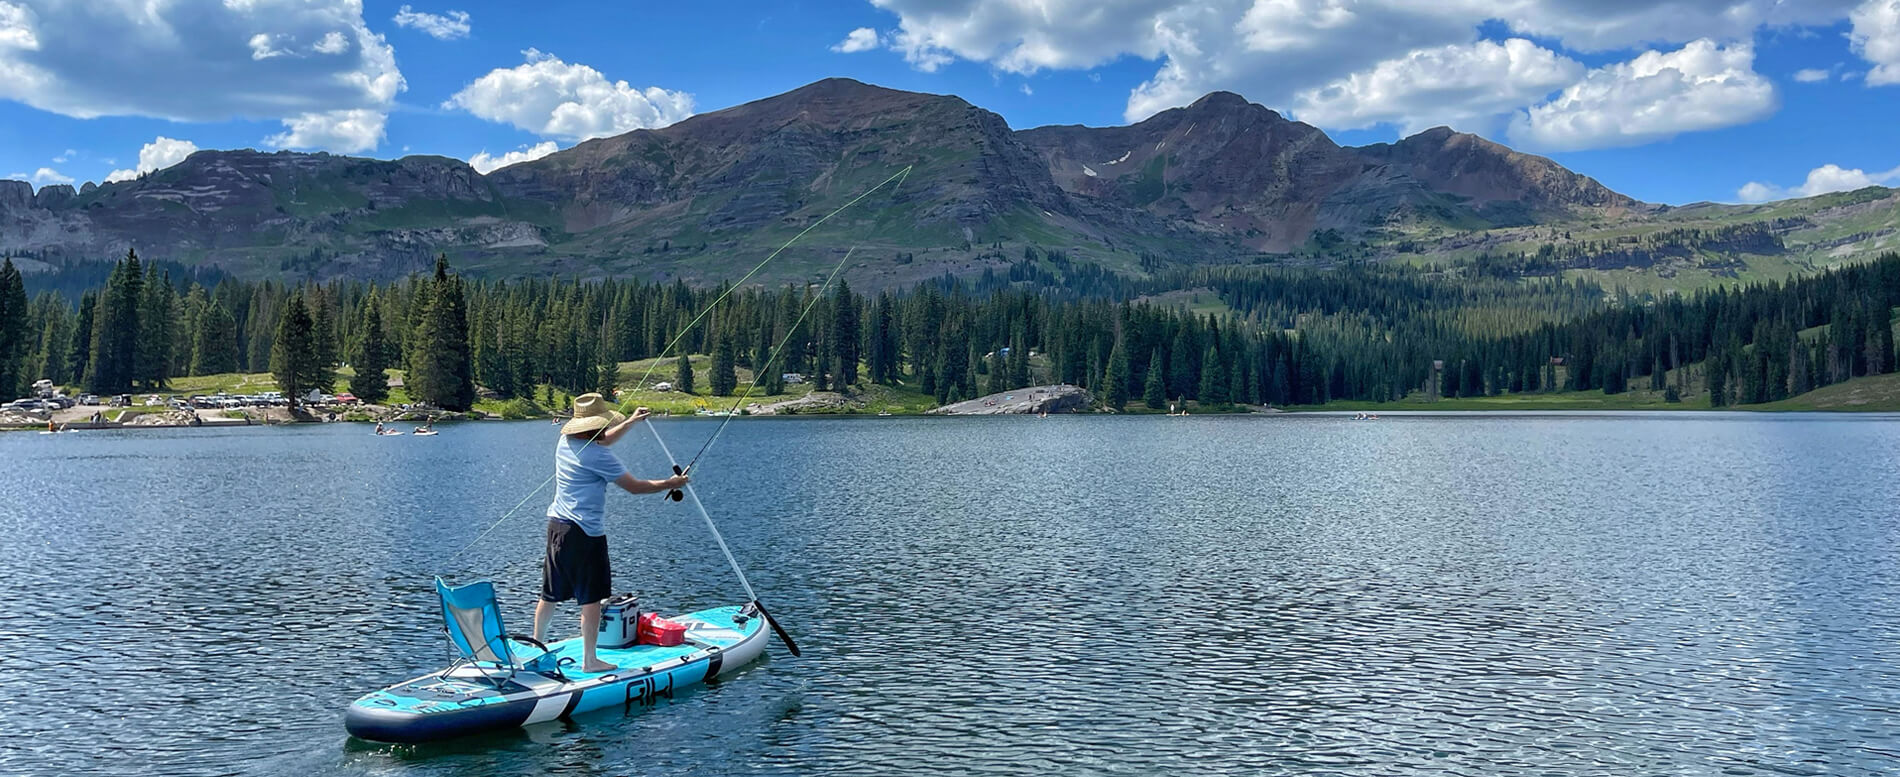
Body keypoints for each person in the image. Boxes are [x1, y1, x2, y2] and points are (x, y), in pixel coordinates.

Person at [533, 392, 688, 673]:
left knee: (550, 593)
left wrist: (630, 422)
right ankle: (590, 661)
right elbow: (635, 486)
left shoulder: (565, 441)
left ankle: (535, 648)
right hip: (584, 533)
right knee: (591, 598)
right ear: (598, 425)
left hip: (557, 526)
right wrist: (671, 482)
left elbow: (601, 438)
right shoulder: (599, 456)